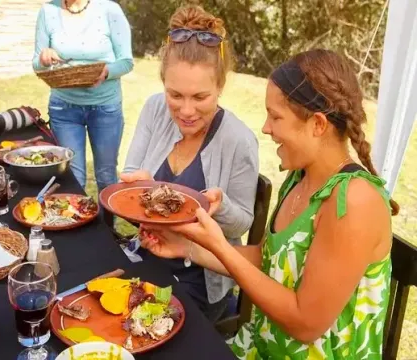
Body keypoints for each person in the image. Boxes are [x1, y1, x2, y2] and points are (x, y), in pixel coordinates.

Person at [140, 49, 399, 359]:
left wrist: (220, 245)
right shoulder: (300, 179)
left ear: (318, 124)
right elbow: (267, 258)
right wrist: (188, 248)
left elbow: (306, 325)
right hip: (261, 348)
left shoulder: (355, 201)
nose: (266, 127)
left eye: (276, 116)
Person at [120, 5, 259, 323]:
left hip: (201, 280)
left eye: (200, 97)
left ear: (220, 86)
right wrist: (135, 184)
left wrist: (219, 205)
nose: (185, 111)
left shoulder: (239, 141)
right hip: (145, 256)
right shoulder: (155, 109)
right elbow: (130, 174)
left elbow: (242, 224)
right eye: (175, 94)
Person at [32, 0, 133, 191]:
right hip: (64, 109)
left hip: (105, 108)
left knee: (106, 176)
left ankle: (106, 222)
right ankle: (79, 220)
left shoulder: (109, 10)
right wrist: (43, 58)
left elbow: (126, 62)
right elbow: (37, 64)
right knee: (73, 178)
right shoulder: (48, 12)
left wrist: (106, 72)